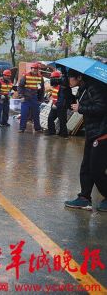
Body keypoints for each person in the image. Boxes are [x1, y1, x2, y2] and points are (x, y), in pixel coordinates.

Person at [64, 69, 107, 211]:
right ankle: (84, 198)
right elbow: (75, 105)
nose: (69, 79)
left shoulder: (96, 87)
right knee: (86, 166)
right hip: (92, 131)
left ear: (79, 77)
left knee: (96, 169)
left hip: (102, 132)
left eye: (70, 77)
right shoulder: (84, 88)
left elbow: (102, 107)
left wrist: (81, 107)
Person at [17, 62, 44, 133]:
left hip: (34, 98)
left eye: (36, 69)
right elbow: (20, 87)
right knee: (24, 113)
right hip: (26, 98)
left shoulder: (40, 77)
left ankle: (37, 128)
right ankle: (21, 128)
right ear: (31, 69)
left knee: (36, 114)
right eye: (34, 68)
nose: (35, 70)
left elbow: (42, 89)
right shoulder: (25, 76)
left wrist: (40, 99)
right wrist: (21, 96)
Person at [45, 70, 73, 138]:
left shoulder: (62, 87)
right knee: (50, 118)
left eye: (52, 78)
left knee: (62, 121)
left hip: (61, 106)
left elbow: (62, 98)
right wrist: (50, 96)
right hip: (54, 105)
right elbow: (55, 94)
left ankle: (64, 134)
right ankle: (51, 132)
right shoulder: (55, 86)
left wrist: (56, 104)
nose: (51, 80)